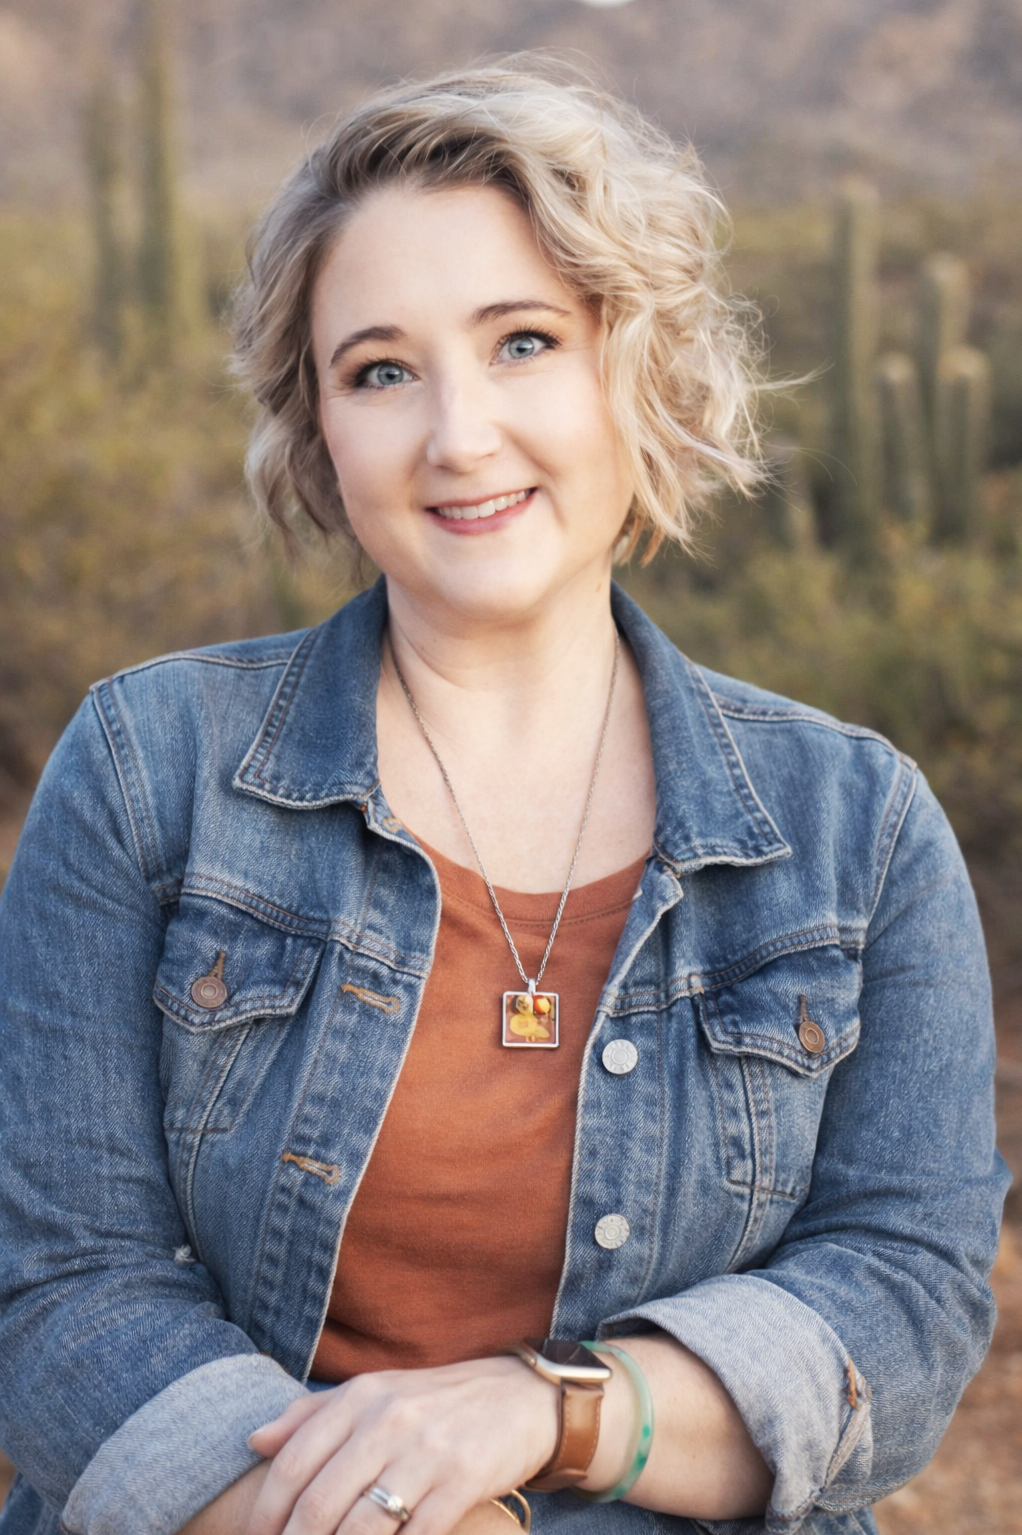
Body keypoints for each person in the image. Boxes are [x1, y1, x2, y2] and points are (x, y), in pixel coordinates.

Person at [0, 59, 1008, 1535]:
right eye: (381, 370)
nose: (456, 436)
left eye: (523, 340)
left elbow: (905, 1304)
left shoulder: (856, 827)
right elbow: (59, 1292)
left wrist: (548, 1409)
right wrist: (435, 1521)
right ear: (320, 429)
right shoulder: (151, 768)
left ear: (636, 366)